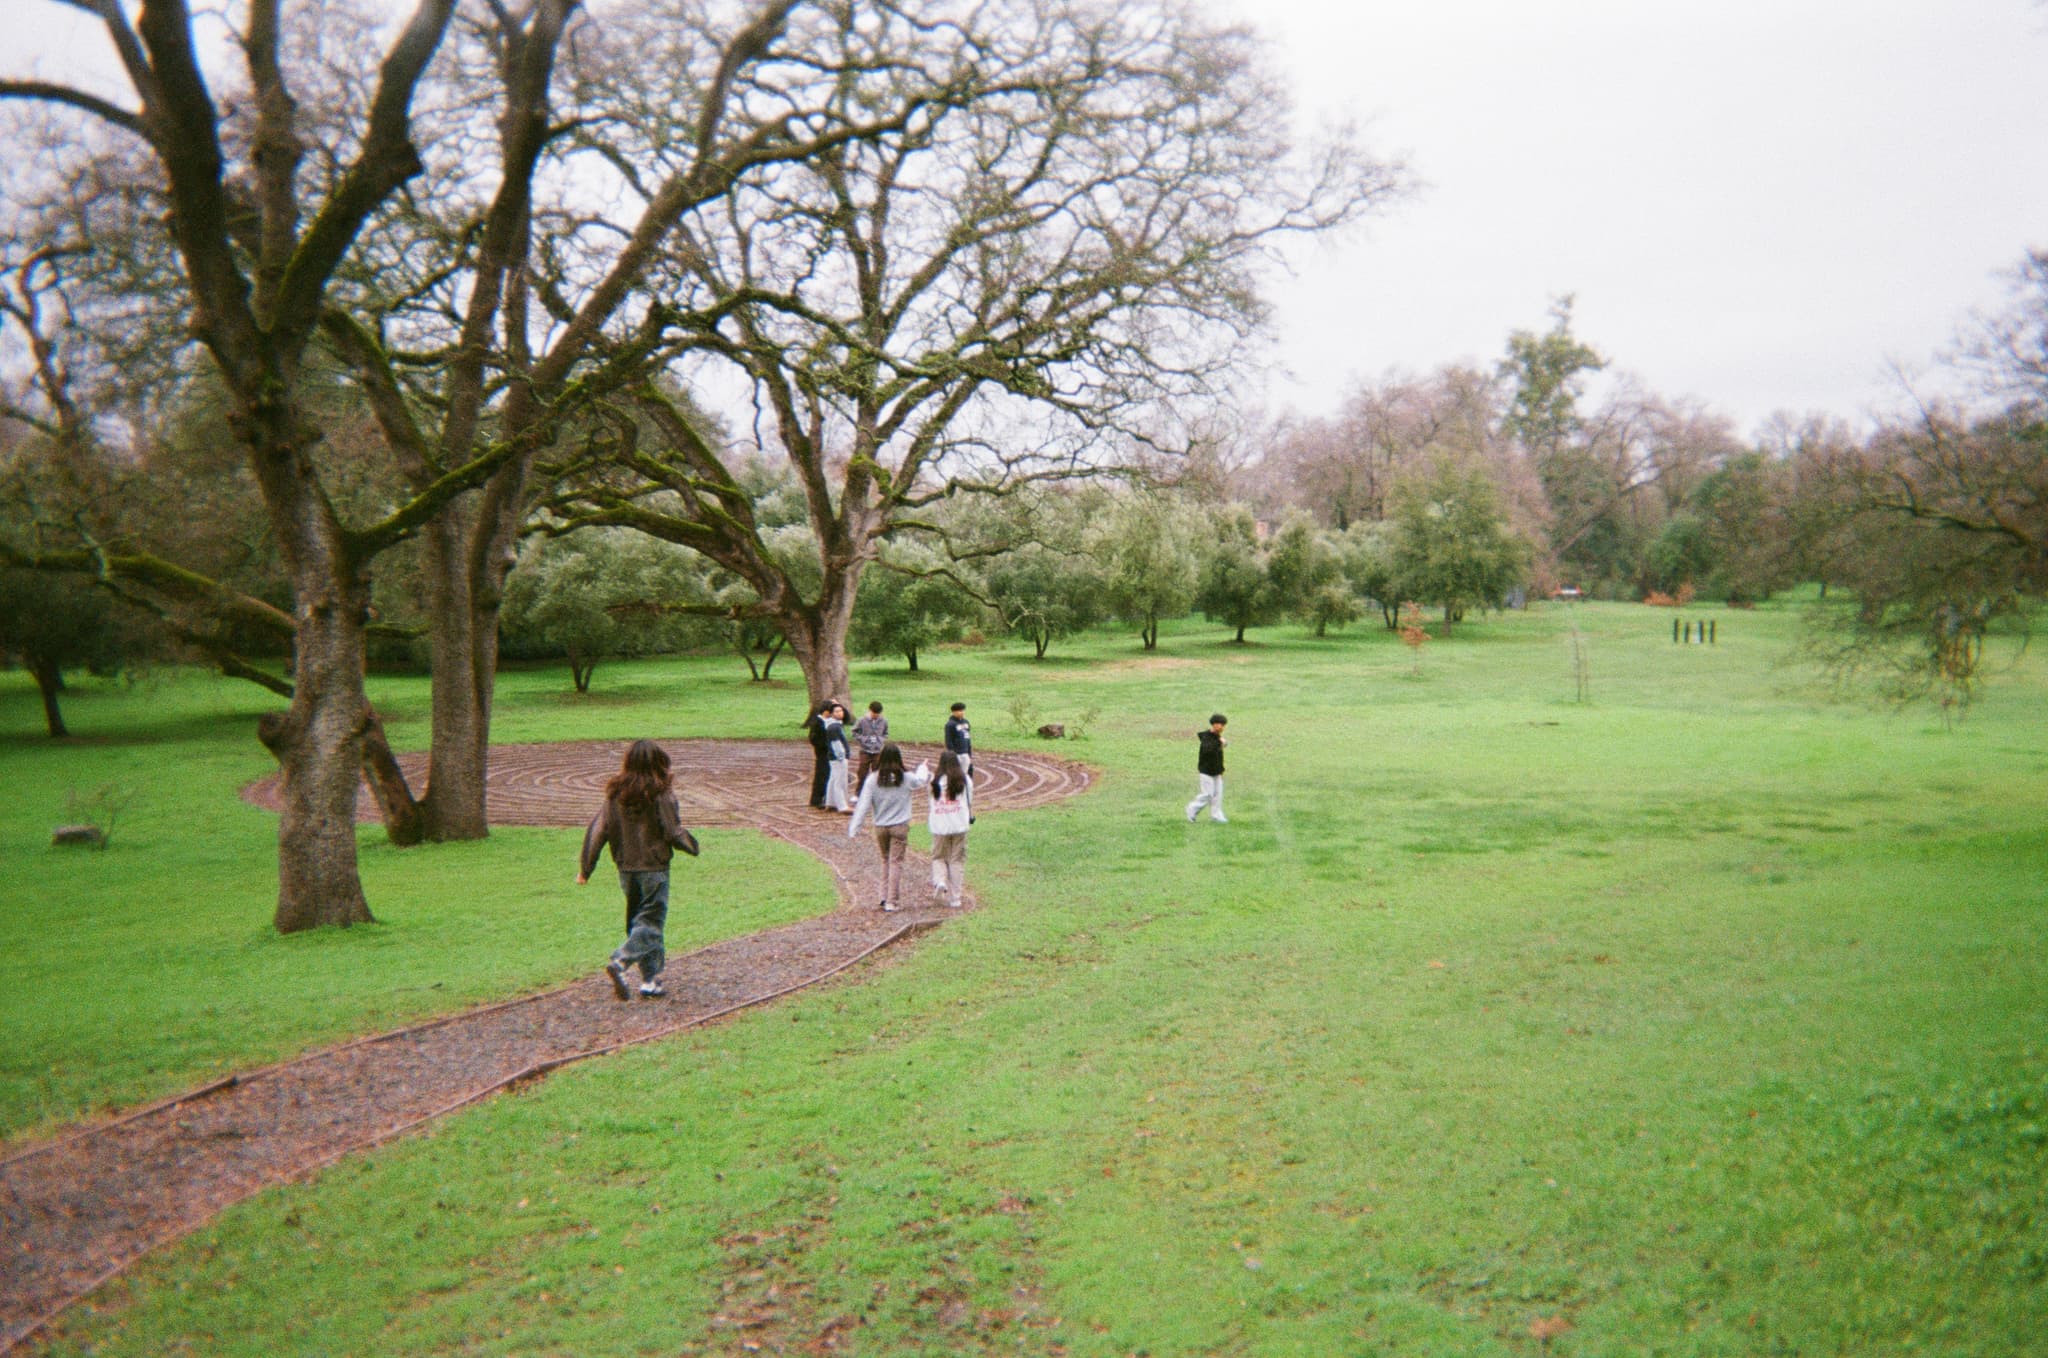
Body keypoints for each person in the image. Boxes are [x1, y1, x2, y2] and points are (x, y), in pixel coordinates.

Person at [577, 739, 700, 1000]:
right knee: (651, 922)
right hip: (654, 868)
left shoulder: (614, 795)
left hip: (626, 869)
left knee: (639, 923)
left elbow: (598, 831)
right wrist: (692, 845)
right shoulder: (660, 793)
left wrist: (586, 869)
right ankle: (621, 961)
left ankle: (650, 980)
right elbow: (672, 830)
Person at [847, 743, 931, 911]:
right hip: (900, 826)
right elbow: (921, 780)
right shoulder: (905, 777)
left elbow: (863, 804)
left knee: (885, 860)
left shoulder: (873, 779)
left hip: (881, 827)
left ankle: (883, 896)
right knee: (896, 862)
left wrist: (854, 827)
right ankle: (892, 901)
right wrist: (923, 767)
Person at [925, 749, 973, 909]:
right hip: (959, 825)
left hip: (940, 826)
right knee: (956, 860)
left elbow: (930, 801)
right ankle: (955, 898)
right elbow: (969, 800)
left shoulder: (934, 781)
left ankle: (940, 881)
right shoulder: (965, 780)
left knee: (938, 857)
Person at [1185, 713, 1228, 824]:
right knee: (1208, 794)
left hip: (1217, 771)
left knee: (1218, 795)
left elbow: (1218, 755)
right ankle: (1192, 809)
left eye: (1223, 725)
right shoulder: (1207, 738)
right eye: (1220, 724)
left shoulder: (1217, 737)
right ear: (1213, 725)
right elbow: (1209, 751)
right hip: (1206, 772)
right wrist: (1220, 743)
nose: (1222, 727)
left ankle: (1216, 815)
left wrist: (1221, 770)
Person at [851, 700, 889, 792]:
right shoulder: (862, 720)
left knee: (877, 772)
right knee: (862, 773)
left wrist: (880, 740)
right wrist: (864, 739)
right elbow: (854, 732)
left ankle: (877, 792)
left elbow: (885, 733)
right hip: (865, 751)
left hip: (878, 751)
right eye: (874, 713)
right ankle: (859, 793)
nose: (876, 715)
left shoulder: (884, 721)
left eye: (878, 714)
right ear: (870, 710)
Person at [803, 701, 834, 808]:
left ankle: (825, 798)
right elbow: (813, 738)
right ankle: (817, 799)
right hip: (822, 753)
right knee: (821, 776)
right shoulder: (817, 722)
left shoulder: (828, 721)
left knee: (828, 775)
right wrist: (825, 745)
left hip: (828, 753)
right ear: (826, 711)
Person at [823, 702, 852, 812]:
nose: (840, 713)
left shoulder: (833, 725)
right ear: (831, 714)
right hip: (837, 758)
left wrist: (837, 703)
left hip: (833, 757)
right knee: (840, 782)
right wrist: (842, 757)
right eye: (837, 711)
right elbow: (836, 744)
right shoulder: (834, 727)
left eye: (841, 711)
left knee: (833, 780)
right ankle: (842, 806)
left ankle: (830, 803)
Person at [943, 700, 973, 778]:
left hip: (965, 753)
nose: (962, 712)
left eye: (963, 710)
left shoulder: (966, 722)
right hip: (956, 754)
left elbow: (968, 738)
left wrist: (969, 753)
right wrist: (952, 755)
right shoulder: (950, 725)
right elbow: (948, 741)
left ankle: (962, 789)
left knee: (964, 775)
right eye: (960, 711)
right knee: (954, 774)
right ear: (954, 712)